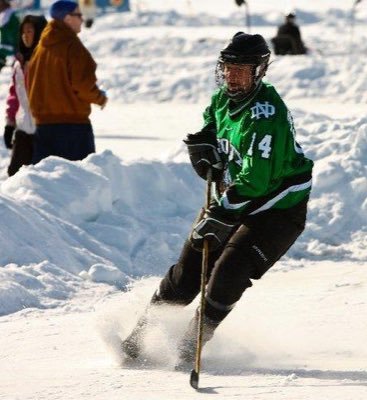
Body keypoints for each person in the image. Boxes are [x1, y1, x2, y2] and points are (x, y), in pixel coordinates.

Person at [121, 32, 314, 367]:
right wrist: (203, 147)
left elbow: (257, 179)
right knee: (186, 274)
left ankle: (189, 345)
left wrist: (223, 214)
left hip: (276, 209)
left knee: (227, 273)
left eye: (241, 70)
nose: (232, 76)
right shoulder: (221, 101)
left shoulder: (266, 115)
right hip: (232, 199)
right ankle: (140, 337)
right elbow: (212, 128)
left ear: (259, 71)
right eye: (228, 68)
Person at [27, 0, 107, 165]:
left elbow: (30, 82)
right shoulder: (72, 46)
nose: (82, 19)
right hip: (72, 127)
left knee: (46, 184)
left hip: (42, 127)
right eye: (78, 15)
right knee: (79, 183)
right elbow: (82, 85)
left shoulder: (41, 48)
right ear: (67, 18)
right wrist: (99, 97)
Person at [4, 15, 47, 176]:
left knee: (44, 177)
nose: (25, 35)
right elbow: (14, 95)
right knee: (15, 174)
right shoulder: (18, 63)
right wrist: (10, 124)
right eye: (23, 32)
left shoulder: (48, 61)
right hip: (23, 128)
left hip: (46, 129)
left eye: (30, 31)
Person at [0, 0, 20, 71]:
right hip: (5, 47)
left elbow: (16, 36)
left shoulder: (12, 16)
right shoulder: (4, 15)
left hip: (12, 48)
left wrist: (16, 49)